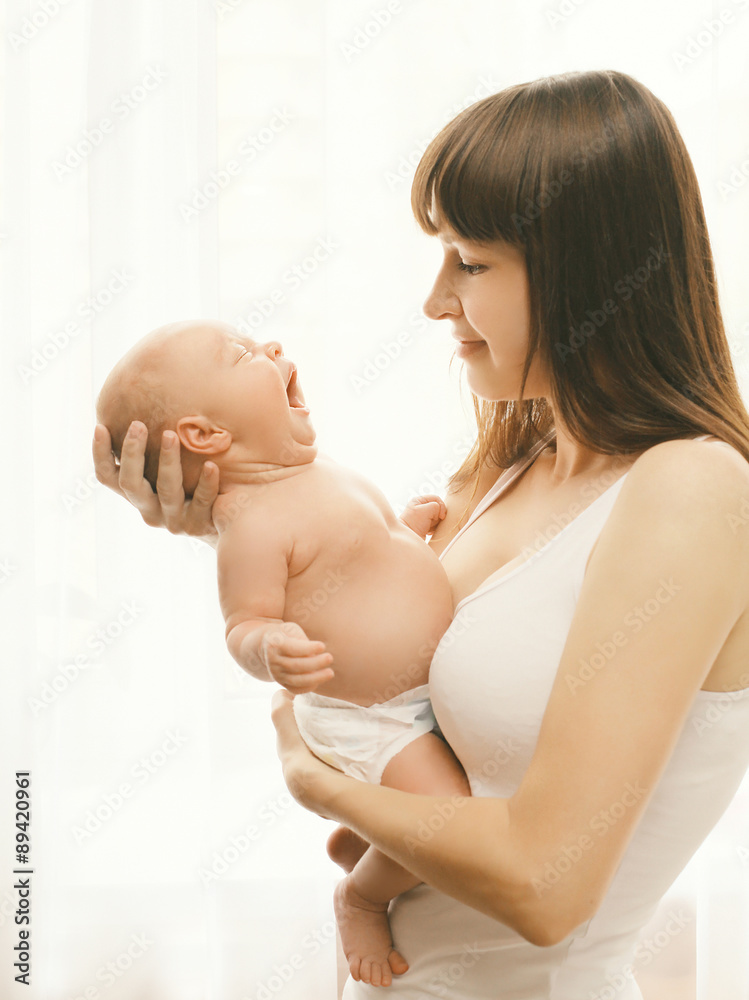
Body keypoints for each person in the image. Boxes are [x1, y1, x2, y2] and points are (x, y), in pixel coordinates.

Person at [93, 68, 749, 998]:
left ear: (588, 270)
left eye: (469, 262)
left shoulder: (691, 489)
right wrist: (225, 517)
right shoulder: (507, 468)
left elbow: (545, 888)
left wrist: (318, 784)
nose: (435, 301)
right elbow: (365, 673)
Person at [94, 320, 471, 988]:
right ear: (206, 435)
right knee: (448, 824)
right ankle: (362, 894)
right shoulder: (251, 523)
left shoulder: (317, 470)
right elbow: (244, 623)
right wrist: (270, 649)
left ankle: (363, 838)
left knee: (430, 811)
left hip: (417, 700)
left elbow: (357, 556)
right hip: (371, 715)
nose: (271, 349)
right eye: (244, 354)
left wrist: (403, 536)